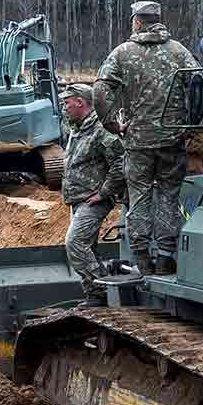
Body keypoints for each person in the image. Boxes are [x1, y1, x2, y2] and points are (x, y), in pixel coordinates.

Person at [94, 0, 201, 275]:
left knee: (139, 196)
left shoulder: (122, 54)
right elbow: (201, 85)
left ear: (137, 22)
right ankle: (166, 256)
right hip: (172, 141)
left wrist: (112, 125)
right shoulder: (179, 52)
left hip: (138, 143)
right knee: (168, 195)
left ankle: (142, 258)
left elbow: (100, 91)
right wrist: (191, 124)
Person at [58, 83, 126, 306]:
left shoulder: (100, 129)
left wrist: (104, 192)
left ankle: (102, 287)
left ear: (80, 102)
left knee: (75, 242)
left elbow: (120, 162)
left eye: (67, 102)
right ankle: (95, 296)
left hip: (93, 200)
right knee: (88, 247)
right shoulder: (77, 128)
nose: (64, 107)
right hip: (78, 200)